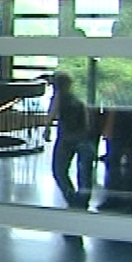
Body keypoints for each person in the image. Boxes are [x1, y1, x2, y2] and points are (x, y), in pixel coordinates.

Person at [43, 71, 96, 209]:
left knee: (59, 170)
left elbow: (52, 113)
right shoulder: (77, 98)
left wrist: (47, 128)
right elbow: (87, 119)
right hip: (82, 137)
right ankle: (82, 200)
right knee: (84, 172)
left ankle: (72, 199)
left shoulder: (59, 97)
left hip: (66, 137)